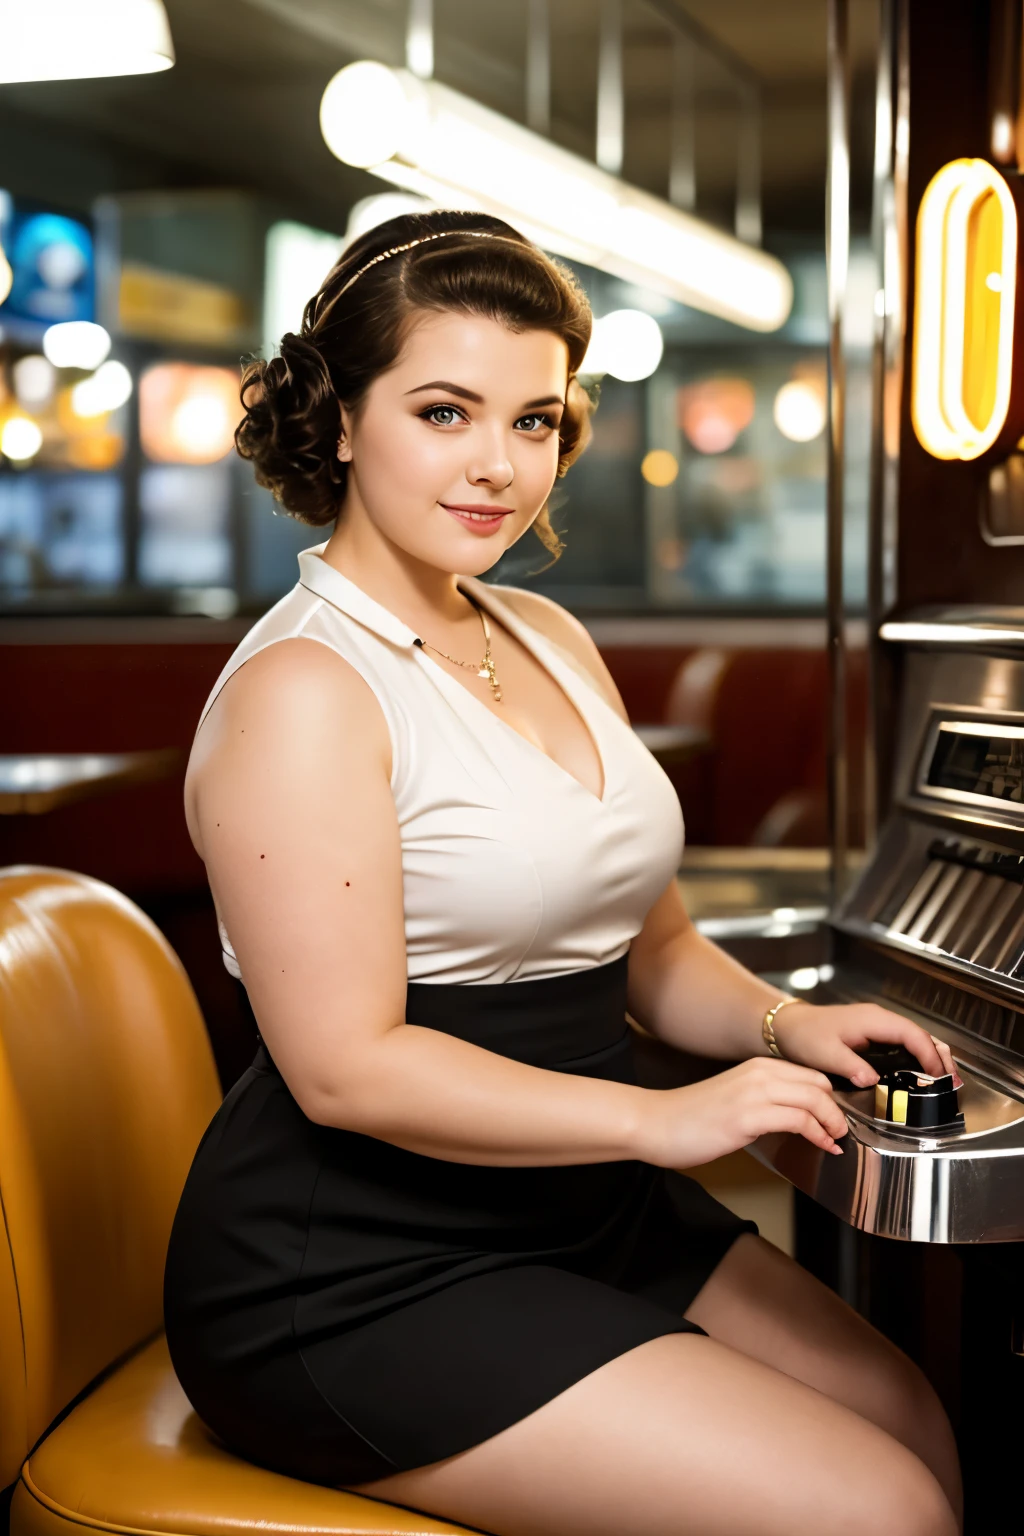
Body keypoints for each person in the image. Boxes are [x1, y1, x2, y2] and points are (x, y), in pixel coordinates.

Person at [163, 210, 961, 1536]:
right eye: (444, 410)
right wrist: (665, 1121)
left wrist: (787, 1023)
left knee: (918, 1425)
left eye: (533, 421)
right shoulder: (306, 688)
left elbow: (649, 955)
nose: (497, 466)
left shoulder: (539, 631)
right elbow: (344, 1068)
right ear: (343, 419)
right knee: (878, 1510)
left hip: (580, 1205)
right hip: (362, 1264)